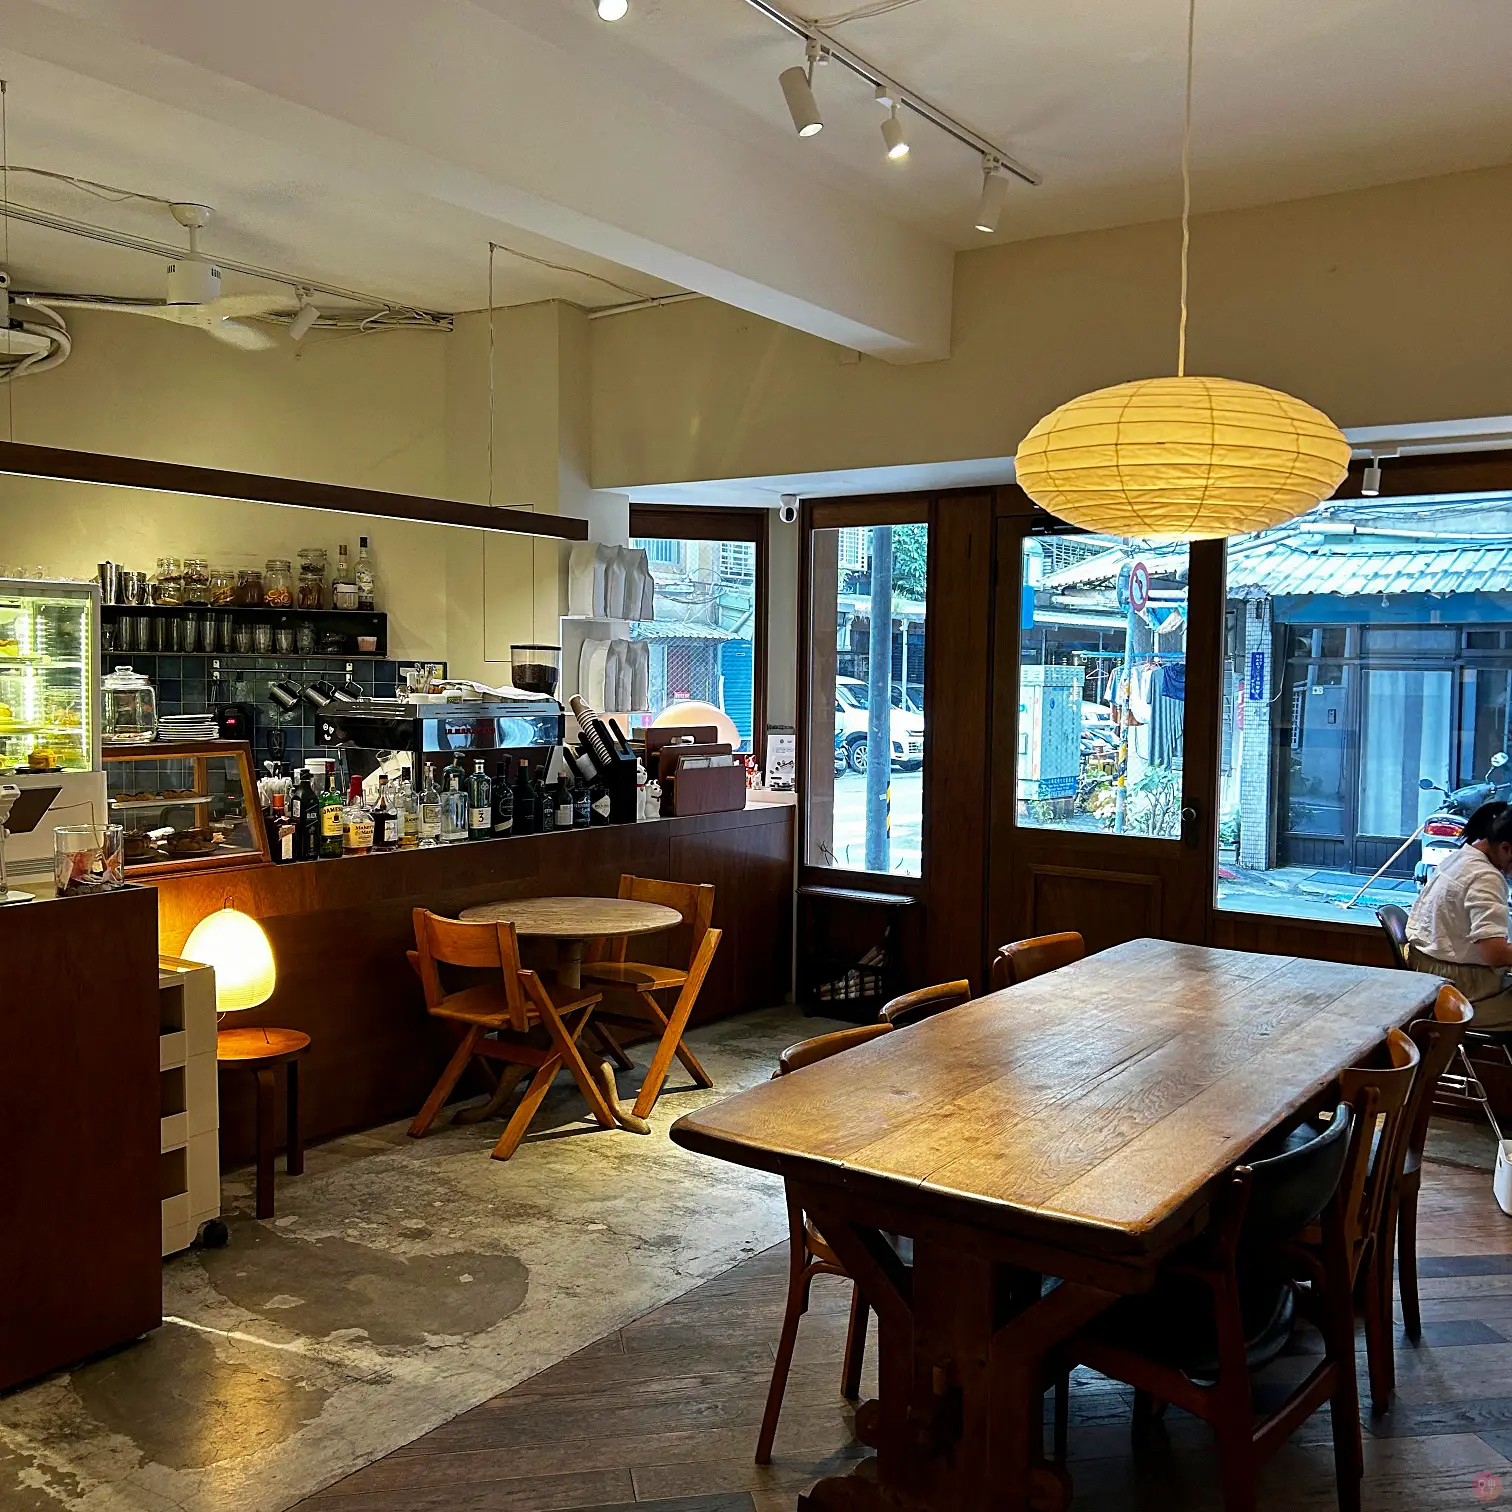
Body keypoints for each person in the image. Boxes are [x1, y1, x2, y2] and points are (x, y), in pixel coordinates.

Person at [1405, 800, 1512, 1029]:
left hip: (1430, 971)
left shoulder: (1462, 857)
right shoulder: (1485, 876)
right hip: (1461, 988)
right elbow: (1494, 953)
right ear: (1506, 848)